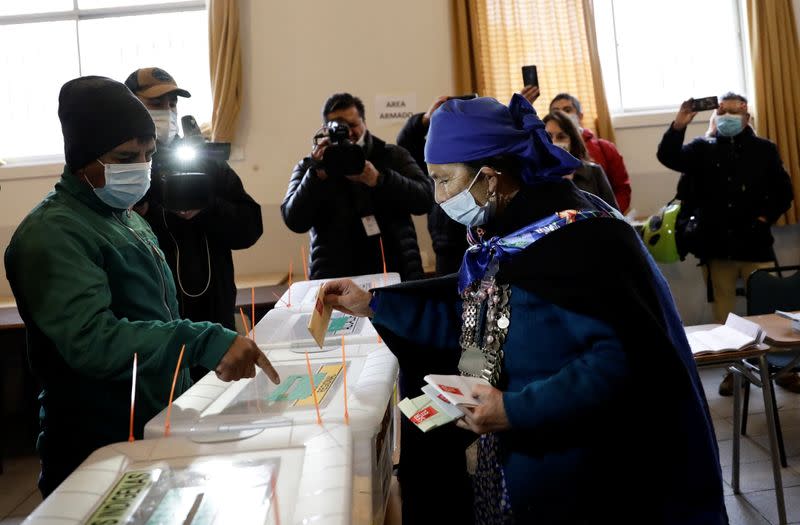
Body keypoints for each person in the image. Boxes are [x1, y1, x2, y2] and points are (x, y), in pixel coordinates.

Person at [322, 95, 727, 524]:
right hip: (523, 461)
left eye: (444, 180)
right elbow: (472, 312)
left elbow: (622, 361)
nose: (438, 196)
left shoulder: (582, 239)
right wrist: (371, 304)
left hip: (593, 472)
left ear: (491, 177)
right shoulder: (502, 235)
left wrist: (514, 408)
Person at [3, 77, 279, 497]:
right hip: (96, 447)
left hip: (154, 426)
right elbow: (94, 341)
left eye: (148, 155)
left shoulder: (125, 217)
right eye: (124, 157)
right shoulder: (51, 235)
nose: (140, 168)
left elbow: (157, 315)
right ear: (81, 157)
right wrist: (202, 340)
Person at [657, 92, 794, 395]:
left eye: (735, 111)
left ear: (747, 117)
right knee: (726, 314)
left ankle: (783, 368)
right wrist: (680, 123)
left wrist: (764, 218)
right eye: (723, 111)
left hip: (755, 244)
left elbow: (784, 192)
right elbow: (668, 157)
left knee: (772, 311)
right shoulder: (701, 149)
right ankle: (735, 372)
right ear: (715, 116)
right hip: (716, 247)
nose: (728, 116)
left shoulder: (764, 150)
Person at [126, 68, 262, 355]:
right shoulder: (124, 169)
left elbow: (250, 227)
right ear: (130, 105)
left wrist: (206, 207)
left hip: (215, 313)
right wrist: (147, 212)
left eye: (172, 104)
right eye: (156, 104)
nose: (167, 111)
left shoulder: (205, 162)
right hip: (153, 322)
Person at [282, 93, 433, 280]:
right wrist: (317, 174)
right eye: (341, 127)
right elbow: (294, 220)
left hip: (396, 271)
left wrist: (381, 179)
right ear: (325, 128)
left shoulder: (392, 155)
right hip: (336, 276)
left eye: (353, 125)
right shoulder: (310, 166)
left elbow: (425, 199)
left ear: (364, 122)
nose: (349, 133)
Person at [398, 95, 468, 275]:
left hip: (473, 241)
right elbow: (405, 145)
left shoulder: (473, 151)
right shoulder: (434, 153)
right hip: (444, 247)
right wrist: (426, 119)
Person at [549, 92, 632, 212]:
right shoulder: (540, 160)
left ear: (580, 115)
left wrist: (610, 214)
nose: (562, 114)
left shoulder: (605, 148)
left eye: (567, 110)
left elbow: (622, 189)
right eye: (556, 111)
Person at [543, 110, 619, 210]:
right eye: (548, 137)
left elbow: (614, 215)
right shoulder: (534, 177)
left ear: (572, 141)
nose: (554, 142)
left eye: (561, 137)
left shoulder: (594, 172)